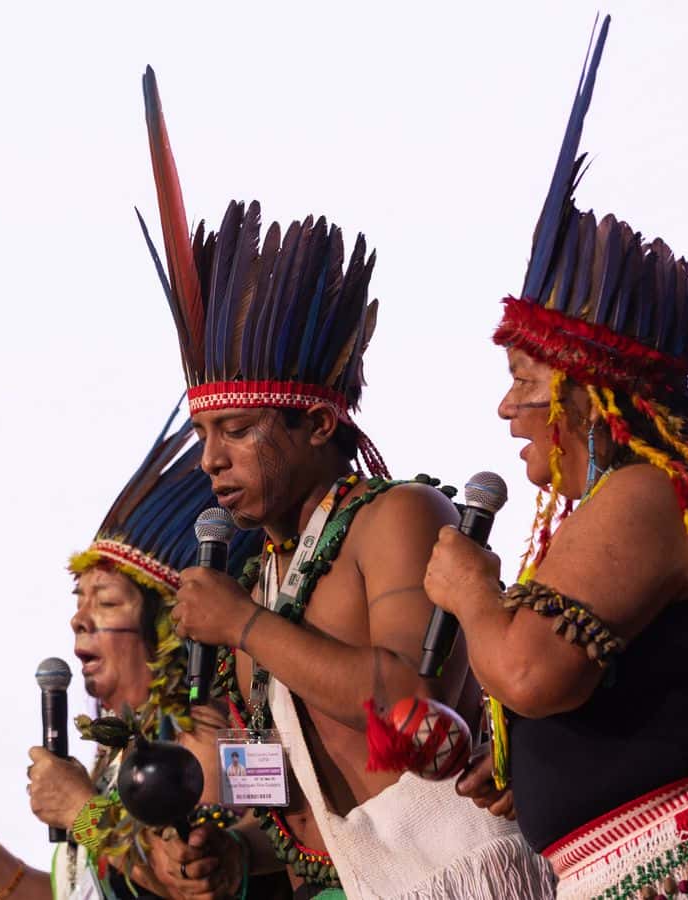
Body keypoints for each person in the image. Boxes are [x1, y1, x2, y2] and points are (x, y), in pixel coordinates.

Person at [422, 17, 688, 899]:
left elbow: (534, 670)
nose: (508, 407)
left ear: (588, 392)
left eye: (523, 378)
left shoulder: (649, 493)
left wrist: (471, 593)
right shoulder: (650, 496)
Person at [133, 67, 553, 900]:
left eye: (239, 432)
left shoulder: (398, 516)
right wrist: (232, 844)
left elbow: (410, 695)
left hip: (485, 873)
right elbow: (297, 789)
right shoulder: (261, 579)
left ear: (320, 424)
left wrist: (245, 624)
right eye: (204, 437)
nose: (213, 460)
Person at [0, 408, 260, 899]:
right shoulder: (113, 755)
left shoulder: (201, 735)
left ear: (166, 627)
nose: (80, 618)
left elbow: (194, 884)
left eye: (107, 601)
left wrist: (81, 811)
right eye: (80, 601)